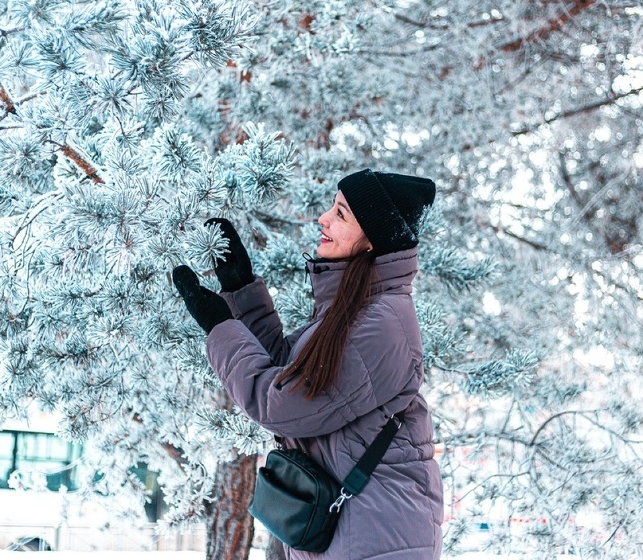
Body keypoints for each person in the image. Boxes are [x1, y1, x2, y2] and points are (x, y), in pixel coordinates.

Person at [171, 168, 443, 559]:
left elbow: (283, 406)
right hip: (355, 530)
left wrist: (219, 326)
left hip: (377, 538)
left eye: (341, 214)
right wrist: (239, 291)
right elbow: (296, 376)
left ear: (373, 242)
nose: (324, 219)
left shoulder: (382, 325)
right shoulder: (352, 310)